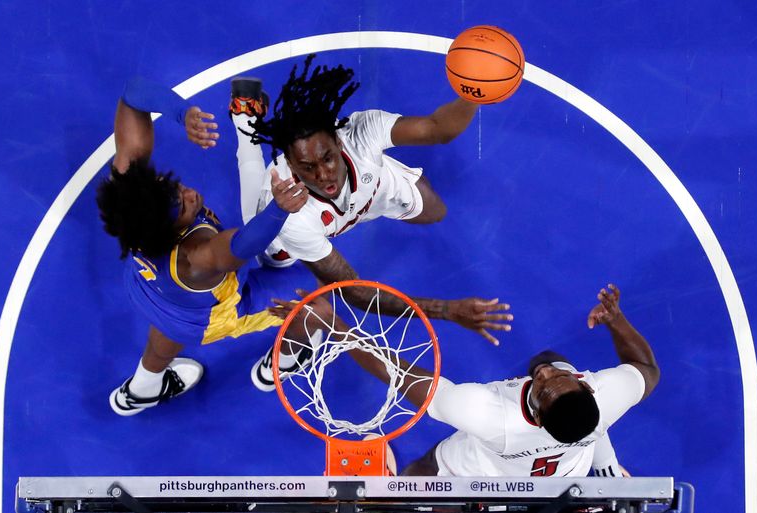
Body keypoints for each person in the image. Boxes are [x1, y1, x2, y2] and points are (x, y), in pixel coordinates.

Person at [227, 55, 514, 389]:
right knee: (278, 265)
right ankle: (246, 126)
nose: (323, 175)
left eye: (327, 158)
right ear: (290, 163)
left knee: (435, 210)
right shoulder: (289, 217)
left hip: (372, 192)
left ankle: (252, 126)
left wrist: (473, 94)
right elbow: (356, 292)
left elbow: (439, 128)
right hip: (288, 234)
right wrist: (446, 310)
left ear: (338, 140)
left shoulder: (362, 133)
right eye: (307, 167)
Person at [96, 76, 321, 415]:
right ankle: (289, 357)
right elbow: (246, 243)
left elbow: (132, 97)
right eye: (185, 206)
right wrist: (279, 208)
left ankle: (142, 388)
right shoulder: (198, 256)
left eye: (177, 187)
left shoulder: (133, 195)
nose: (190, 195)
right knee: (314, 298)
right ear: (171, 231)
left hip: (149, 290)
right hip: (212, 315)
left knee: (169, 325)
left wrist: (181, 113)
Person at [271, 283, 658, 477]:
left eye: (541, 388)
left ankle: (392, 485)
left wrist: (334, 325)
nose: (543, 375)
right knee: (552, 357)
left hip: (477, 471)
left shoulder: (485, 414)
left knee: (422, 472)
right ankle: (607, 465)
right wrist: (617, 321)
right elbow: (647, 368)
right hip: (564, 469)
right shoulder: (607, 397)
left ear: (537, 416)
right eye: (558, 378)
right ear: (588, 385)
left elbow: (399, 374)